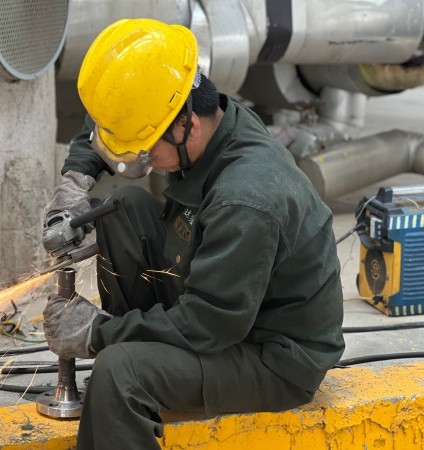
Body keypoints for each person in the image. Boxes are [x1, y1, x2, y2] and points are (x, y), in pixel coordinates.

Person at [42, 18, 345, 450]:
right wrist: (75, 181)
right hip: (232, 311)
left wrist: (98, 333)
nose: (142, 160)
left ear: (187, 126)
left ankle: (135, 370)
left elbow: (209, 323)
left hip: (271, 355)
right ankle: (146, 357)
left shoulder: (245, 199)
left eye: (147, 149)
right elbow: (115, 119)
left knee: (119, 373)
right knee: (124, 208)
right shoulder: (206, 114)